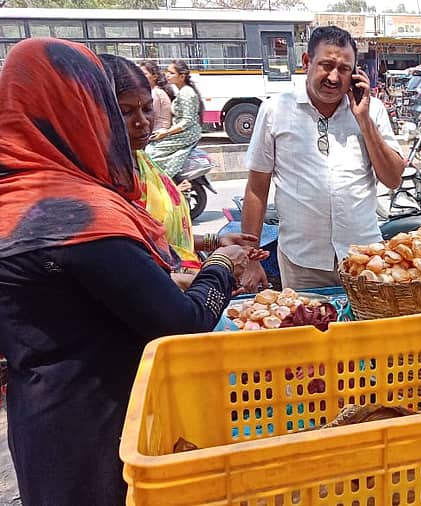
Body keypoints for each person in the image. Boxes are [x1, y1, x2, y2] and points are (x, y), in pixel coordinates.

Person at [0, 38, 251, 505]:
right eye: (105, 107)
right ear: (75, 111)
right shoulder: (77, 217)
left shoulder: (15, 193)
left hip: (41, 415)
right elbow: (181, 321)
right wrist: (224, 265)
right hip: (97, 429)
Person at [242, 26, 404, 291]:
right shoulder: (275, 109)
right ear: (306, 62)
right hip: (302, 262)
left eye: (344, 69)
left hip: (364, 259)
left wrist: (363, 120)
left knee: (367, 332)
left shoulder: (371, 110)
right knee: (306, 328)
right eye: (326, 65)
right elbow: (256, 190)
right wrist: (250, 257)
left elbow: (393, 178)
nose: (333, 77)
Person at [101, 54, 263, 283]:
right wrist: (217, 269)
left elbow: (164, 240)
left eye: (147, 108)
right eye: (126, 112)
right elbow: (132, 272)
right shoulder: (104, 182)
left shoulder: (143, 162)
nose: (142, 122)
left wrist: (215, 242)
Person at [146, 59, 203, 177]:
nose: (167, 75)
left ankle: (164, 180)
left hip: (187, 133)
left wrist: (166, 133)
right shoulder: (181, 91)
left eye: (171, 73)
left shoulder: (186, 93)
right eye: (167, 71)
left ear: (182, 76)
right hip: (182, 131)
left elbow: (187, 121)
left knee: (152, 152)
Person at [138, 60, 174, 132]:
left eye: (144, 74)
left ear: (154, 77)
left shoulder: (156, 93)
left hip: (158, 131)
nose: (140, 77)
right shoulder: (153, 91)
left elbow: (151, 115)